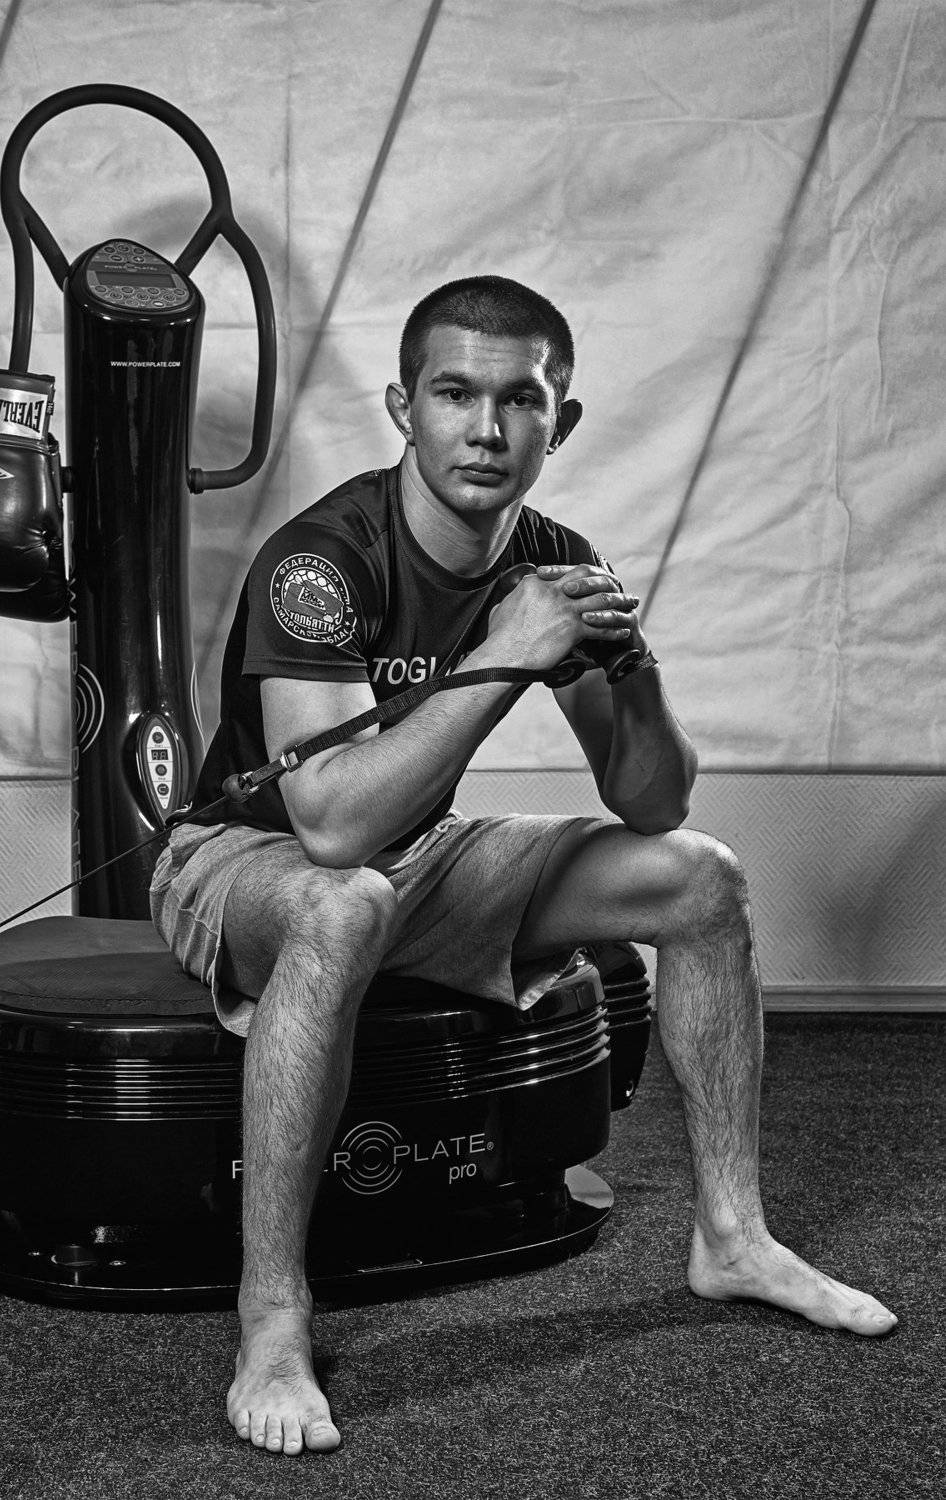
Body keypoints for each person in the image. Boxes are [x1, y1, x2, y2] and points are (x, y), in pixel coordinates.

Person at [149, 275, 896, 1457]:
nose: (486, 429)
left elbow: (649, 800)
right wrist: (505, 657)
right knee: (344, 904)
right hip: (247, 858)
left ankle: (732, 1237)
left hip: (412, 859)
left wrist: (628, 664)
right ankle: (274, 1321)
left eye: (519, 401)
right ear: (402, 408)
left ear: (562, 421)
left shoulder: (553, 563)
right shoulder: (320, 561)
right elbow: (330, 825)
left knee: (700, 878)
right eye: (454, 394)